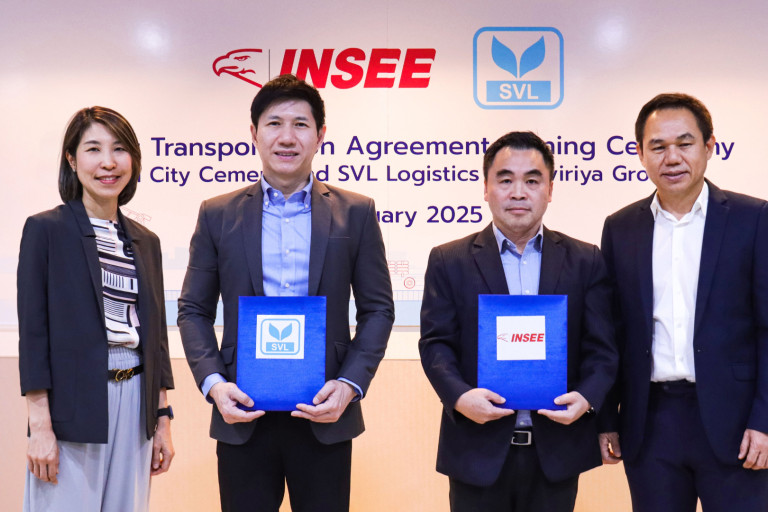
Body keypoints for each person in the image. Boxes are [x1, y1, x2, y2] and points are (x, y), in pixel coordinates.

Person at [178, 74, 394, 512]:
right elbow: (193, 310)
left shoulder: (356, 213)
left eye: (300, 124)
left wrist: (349, 385)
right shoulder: (218, 214)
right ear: (254, 133)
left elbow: (378, 310)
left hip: (325, 412)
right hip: (242, 412)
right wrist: (215, 385)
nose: (287, 137)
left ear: (320, 135)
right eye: (274, 123)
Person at [419, 131, 617, 511]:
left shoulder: (585, 260)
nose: (518, 192)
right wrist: (459, 396)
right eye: (505, 180)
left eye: (532, 181)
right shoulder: (449, 260)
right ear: (486, 188)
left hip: (556, 452)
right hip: (476, 452)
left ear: (550, 189)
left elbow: (602, 348)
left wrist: (587, 397)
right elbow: (435, 344)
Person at [599, 93, 768, 511]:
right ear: (640, 153)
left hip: (736, 423)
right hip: (650, 423)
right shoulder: (620, 228)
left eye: (685, 143)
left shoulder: (754, 219)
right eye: (657, 146)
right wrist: (607, 419)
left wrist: (764, 421)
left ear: (709, 147)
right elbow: (611, 331)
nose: (671, 157)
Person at [18, 106, 175, 512]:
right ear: (72, 160)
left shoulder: (146, 241)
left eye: (120, 149)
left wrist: (162, 420)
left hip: (136, 403)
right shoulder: (46, 230)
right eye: (93, 149)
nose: (108, 162)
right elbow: (34, 335)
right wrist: (40, 426)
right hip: (73, 404)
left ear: (134, 160)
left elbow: (156, 339)